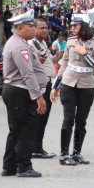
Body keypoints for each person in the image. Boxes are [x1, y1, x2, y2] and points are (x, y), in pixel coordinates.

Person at [51, 15, 94, 166]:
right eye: (71, 25)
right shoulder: (70, 41)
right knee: (68, 119)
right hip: (68, 83)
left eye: (76, 25)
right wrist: (55, 86)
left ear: (85, 26)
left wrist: (85, 54)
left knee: (81, 121)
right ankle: (64, 154)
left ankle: (76, 153)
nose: (72, 28)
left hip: (86, 84)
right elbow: (64, 64)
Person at [0, 10, 46, 177]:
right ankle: (24, 167)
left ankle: (9, 166)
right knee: (25, 130)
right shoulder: (19, 46)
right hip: (20, 91)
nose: (34, 29)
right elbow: (27, 74)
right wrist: (38, 97)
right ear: (19, 28)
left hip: (16, 90)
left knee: (16, 129)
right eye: (30, 26)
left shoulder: (20, 43)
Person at [29, 18, 58, 158]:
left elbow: (47, 61)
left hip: (48, 82)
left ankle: (38, 147)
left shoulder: (42, 43)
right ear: (33, 29)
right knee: (40, 117)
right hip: (40, 85)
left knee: (44, 118)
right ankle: (35, 148)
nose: (45, 30)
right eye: (41, 28)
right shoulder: (31, 44)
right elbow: (31, 65)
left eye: (46, 28)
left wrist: (57, 58)